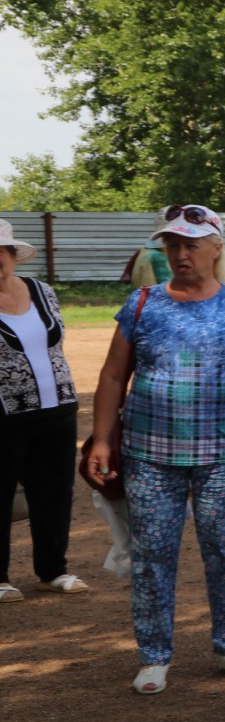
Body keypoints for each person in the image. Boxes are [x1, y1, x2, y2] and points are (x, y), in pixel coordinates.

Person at [83, 205, 225, 694]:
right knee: (152, 555)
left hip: (224, 456)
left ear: (216, 248)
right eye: (172, 244)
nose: (181, 254)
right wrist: (101, 439)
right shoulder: (142, 304)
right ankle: (154, 655)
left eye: (191, 245)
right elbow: (113, 375)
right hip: (150, 456)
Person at [0, 220, 87, 601]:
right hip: (3, 418)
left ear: (12, 254)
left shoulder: (42, 291)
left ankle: (52, 571)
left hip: (58, 408)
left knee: (54, 492)